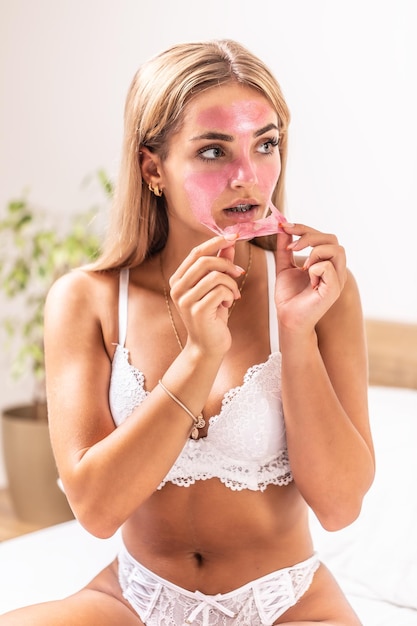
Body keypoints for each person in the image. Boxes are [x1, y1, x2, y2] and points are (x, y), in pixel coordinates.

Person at [1, 39, 374, 625]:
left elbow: (341, 506)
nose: (248, 176)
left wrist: (297, 334)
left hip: (289, 603)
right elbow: (96, 512)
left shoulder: (321, 292)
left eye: (266, 144)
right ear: (153, 168)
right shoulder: (88, 301)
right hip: (134, 599)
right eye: (213, 151)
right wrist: (200, 355)